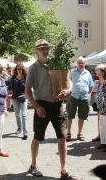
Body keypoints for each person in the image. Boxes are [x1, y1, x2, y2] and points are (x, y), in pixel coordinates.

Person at [25, 39, 76, 180]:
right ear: (36, 51)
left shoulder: (56, 64)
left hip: (57, 104)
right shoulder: (33, 68)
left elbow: (68, 79)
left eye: (47, 48)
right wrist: (37, 106)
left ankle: (64, 170)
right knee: (37, 137)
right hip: (42, 105)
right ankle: (33, 165)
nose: (45, 50)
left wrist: (68, 90)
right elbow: (27, 91)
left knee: (62, 137)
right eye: (42, 48)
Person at [66, 56, 93, 142]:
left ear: (85, 64)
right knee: (70, 116)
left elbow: (91, 86)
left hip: (84, 98)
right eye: (79, 63)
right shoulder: (72, 72)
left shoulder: (88, 73)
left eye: (83, 63)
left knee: (82, 116)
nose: (81, 64)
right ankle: (68, 133)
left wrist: (89, 95)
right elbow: (67, 83)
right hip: (73, 97)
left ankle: (79, 134)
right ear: (77, 63)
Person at [9, 62, 28, 140]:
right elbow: (10, 88)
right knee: (17, 114)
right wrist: (8, 95)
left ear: (23, 69)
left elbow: (29, 87)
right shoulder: (13, 77)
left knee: (24, 115)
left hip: (24, 98)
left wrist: (28, 95)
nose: (19, 70)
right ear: (16, 69)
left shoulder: (26, 77)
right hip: (15, 98)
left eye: (20, 68)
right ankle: (19, 128)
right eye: (18, 68)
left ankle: (25, 132)